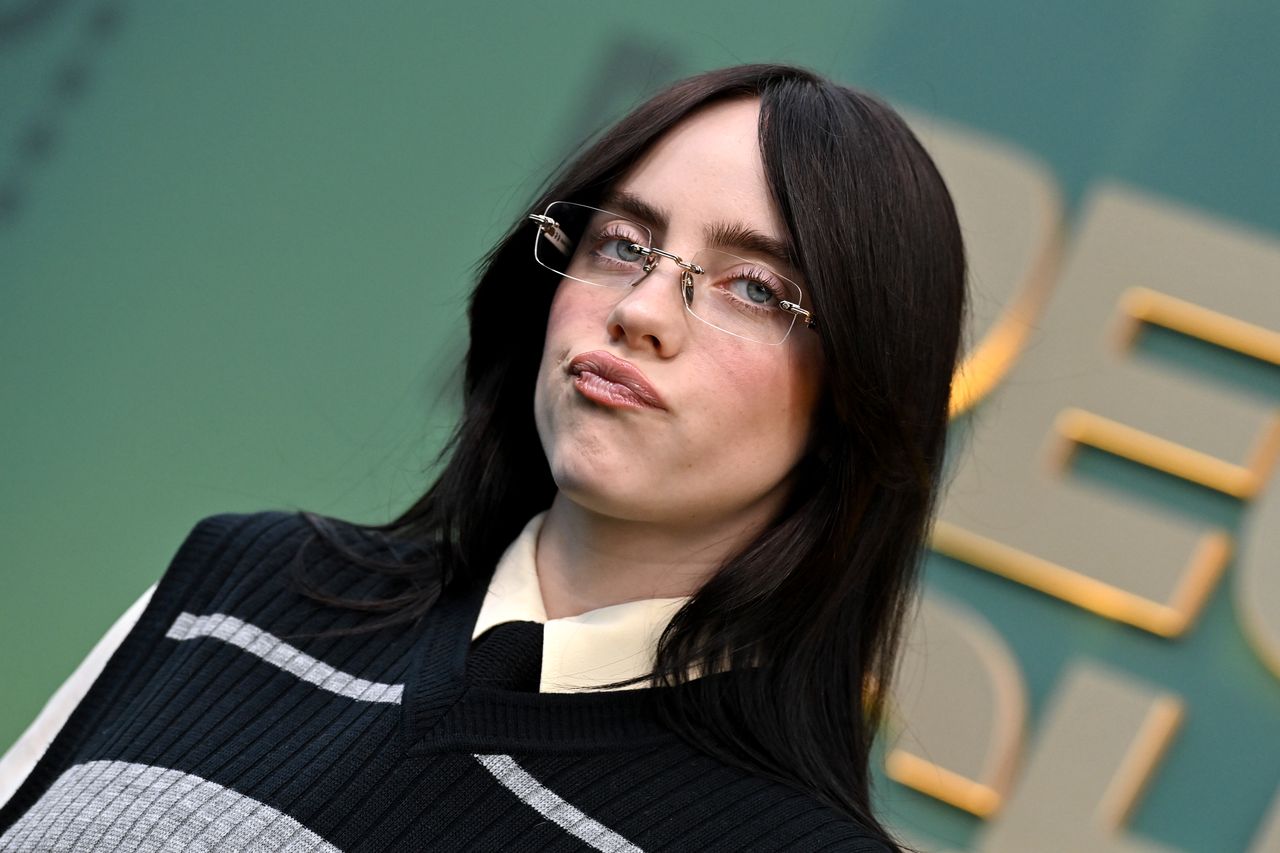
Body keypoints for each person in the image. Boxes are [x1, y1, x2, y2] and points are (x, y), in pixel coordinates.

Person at [0, 63, 966, 851]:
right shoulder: (240, 586)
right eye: (622, 242)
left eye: (754, 287)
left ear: (858, 393)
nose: (639, 312)